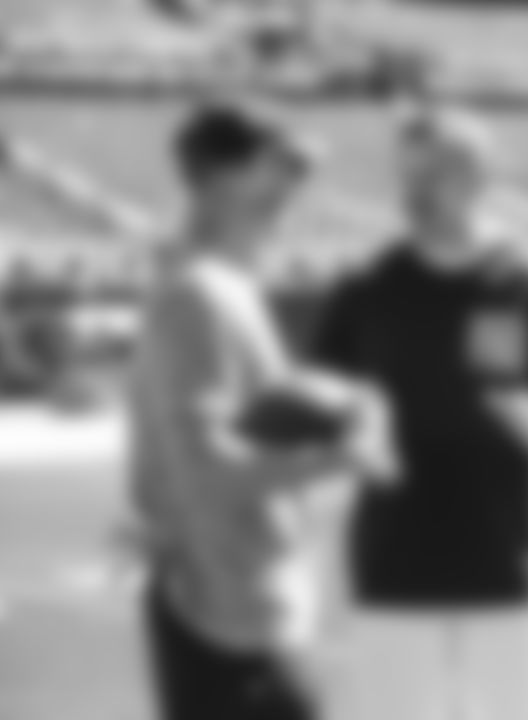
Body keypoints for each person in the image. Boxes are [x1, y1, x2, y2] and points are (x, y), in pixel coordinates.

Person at [303, 108, 528, 720]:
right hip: (393, 572)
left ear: (479, 176)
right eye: (407, 173)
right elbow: (318, 402)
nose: (415, 190)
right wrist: (343, 440)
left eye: (434, 172)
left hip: (506, 569)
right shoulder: (365, 287)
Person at [126, 103, 389, 720]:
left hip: (243, 607)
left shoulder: (223, 284)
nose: (293, 187)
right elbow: (206, 467)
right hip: (224, 620)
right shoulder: (196, 294)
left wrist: (332, 396)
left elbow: (239, 414)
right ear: (220, 177)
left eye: (300, 172)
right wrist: (341, 455)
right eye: (279, 168)